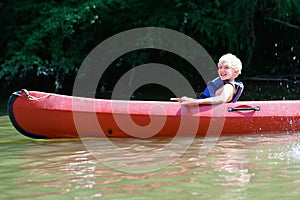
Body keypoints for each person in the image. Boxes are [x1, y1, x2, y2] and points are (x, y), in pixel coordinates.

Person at [171, 53, 243, 106]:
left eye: (226, 67)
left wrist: (195, 101)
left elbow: (221, 99)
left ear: (235, 71)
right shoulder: (222, 85)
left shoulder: (228, 87)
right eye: (220, 67)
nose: (221, 70)